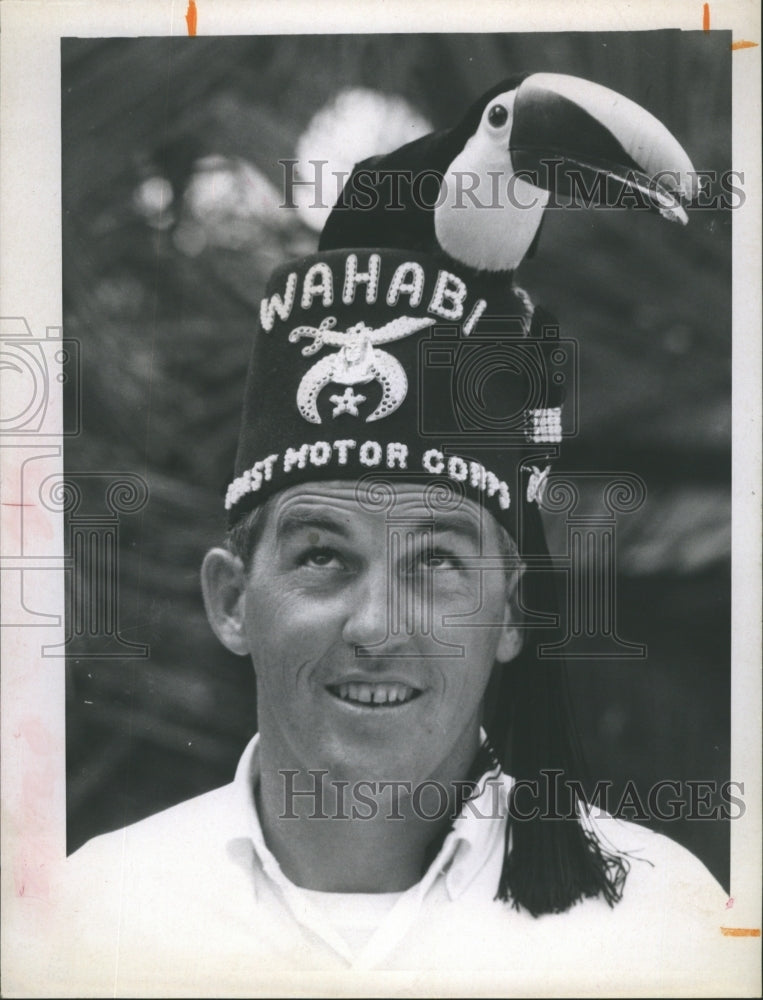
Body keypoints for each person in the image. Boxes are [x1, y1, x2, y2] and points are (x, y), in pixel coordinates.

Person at [54, 246, 732, 993]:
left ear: (510, 610)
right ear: (232, 601)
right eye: (321, 558)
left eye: (436, 562)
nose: (376, 626)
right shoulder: (95, 915)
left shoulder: (653, 923)